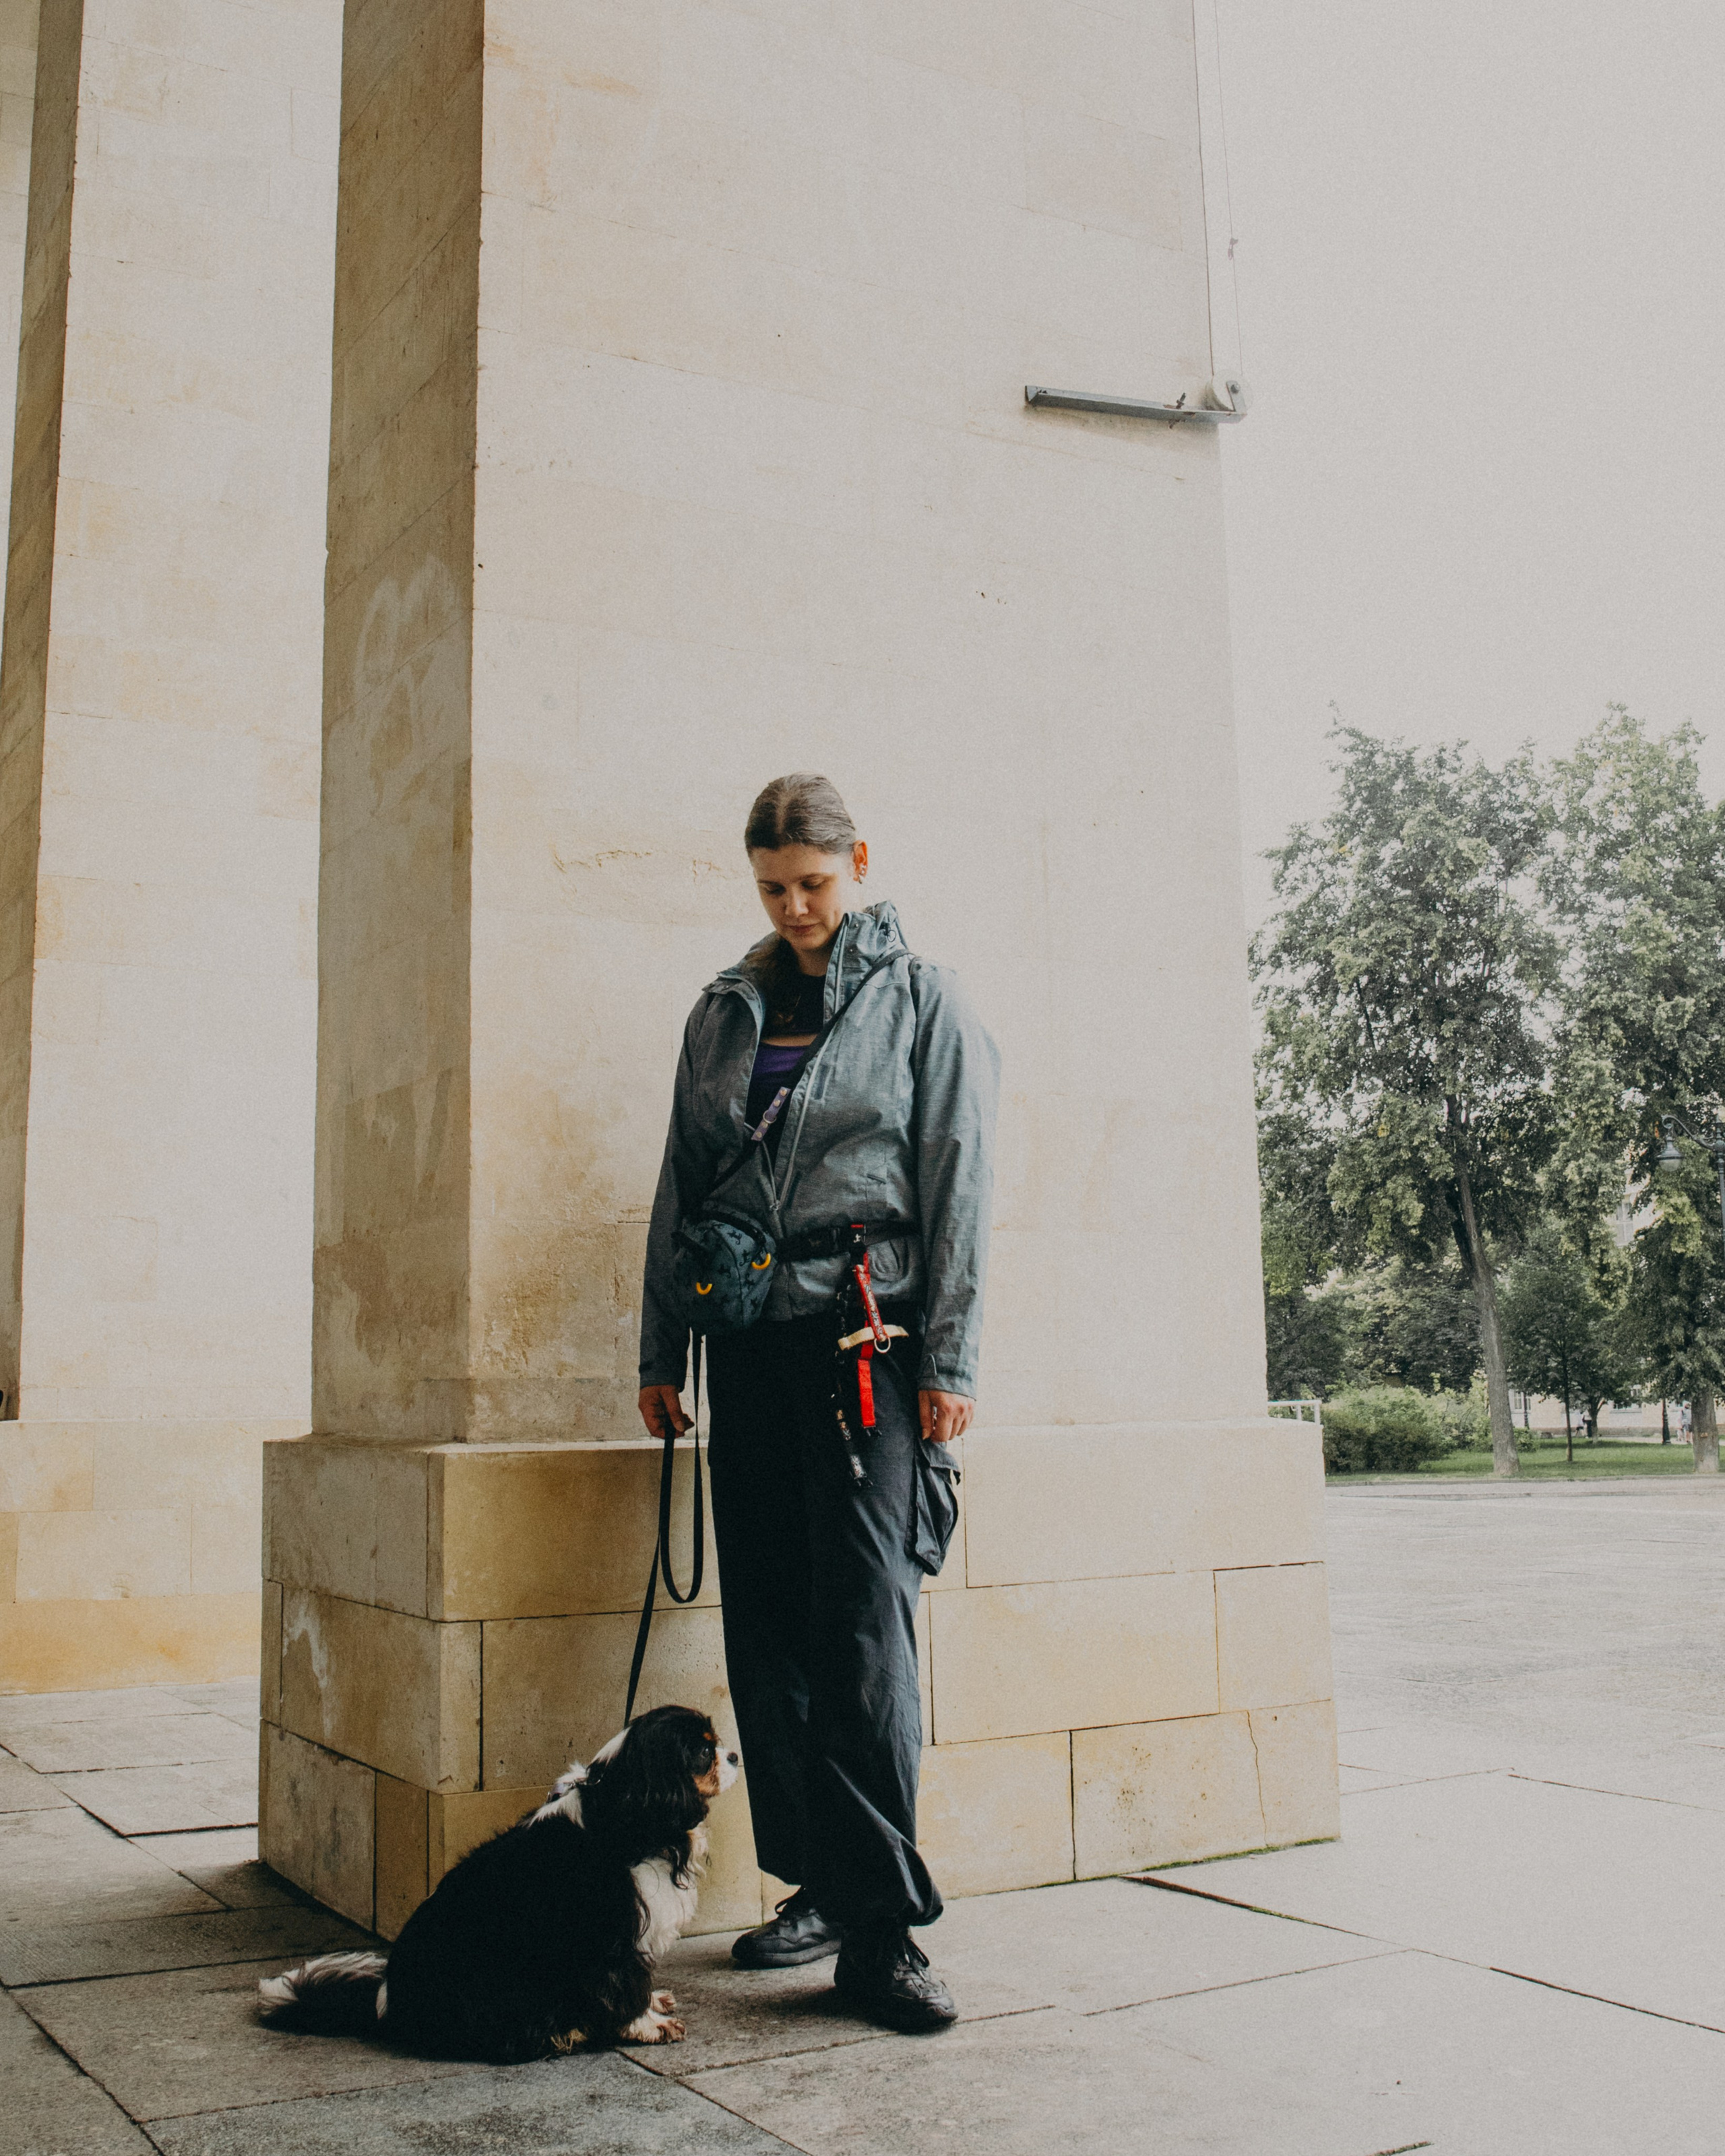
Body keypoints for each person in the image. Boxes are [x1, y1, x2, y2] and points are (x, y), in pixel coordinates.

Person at [638, 773, 999, 2033]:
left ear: (859, 863)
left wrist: (949, 1366)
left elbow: (959, 1186)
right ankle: (821, 1887)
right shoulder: (724, 1010)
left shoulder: (924, 1000)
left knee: (862, 1633)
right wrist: (660, 1352)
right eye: (773, 888)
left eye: (814, 883)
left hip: (867, 1345)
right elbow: (682, 1187)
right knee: (774, 1634)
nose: (796, 907)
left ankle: (884, 1929)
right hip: (745, 1350)